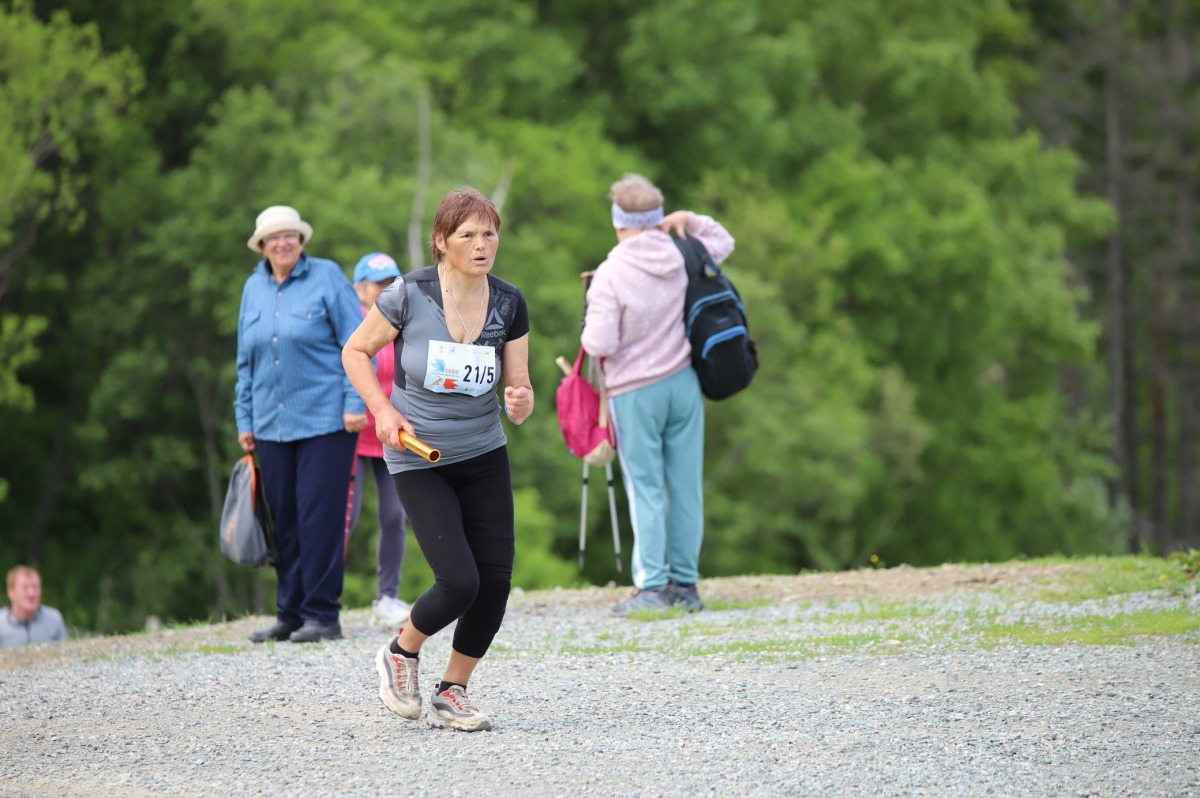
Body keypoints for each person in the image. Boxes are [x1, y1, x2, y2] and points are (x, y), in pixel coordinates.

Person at [342, 187, 533, 732]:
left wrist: (521, 401)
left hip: (483, 451)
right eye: (468, 235)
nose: (481, 244)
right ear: (442, 241)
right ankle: (401, 652)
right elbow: (355, 352)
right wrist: (381, 410)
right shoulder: (408, 293)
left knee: (494, 581)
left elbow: (518, 393)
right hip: (418, 454)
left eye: (489, 233)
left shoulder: (509, 302)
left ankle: (453, 691)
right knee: (459, 580)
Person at [580, 173, 734, 616]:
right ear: (656, 216)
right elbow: (723, 242)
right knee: (686, 487)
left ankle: (652, 586)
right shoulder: (681, 250)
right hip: (684, 382)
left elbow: (599, 343)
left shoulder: (611, 272)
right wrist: (690, 219)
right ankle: (686, 587)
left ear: (618, 220)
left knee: (646, 488)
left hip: (635, 391)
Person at [235, 205, 367, 644]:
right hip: (270, 423)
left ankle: (323, 614)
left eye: (291, 235)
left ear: (301, 241)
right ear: (262, 245)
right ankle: (289, 613)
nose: (283, 243)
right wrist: (244, 416)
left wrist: (354, 402)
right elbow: (245, 363)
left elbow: (358, 342)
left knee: (319, 517)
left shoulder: (327, 277)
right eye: (274, 238)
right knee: (284, 520)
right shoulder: (252, 288)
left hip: (327, 419)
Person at [348, 251, 411, 629]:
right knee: (345, 519)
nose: (385, 289)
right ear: (360, 288)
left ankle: (387, 595)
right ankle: (324, 597)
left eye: (391, 282)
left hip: (393, 433)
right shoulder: (350, 320)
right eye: (377, 284)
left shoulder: (404, 318)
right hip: (355, 433)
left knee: (394, 515)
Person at [1, 565, 68, 646]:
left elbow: (65, 654)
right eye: (25, 588)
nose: (31, 593)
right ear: (11, 592)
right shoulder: (1, 623)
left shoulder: (54, 619)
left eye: (35, 587)